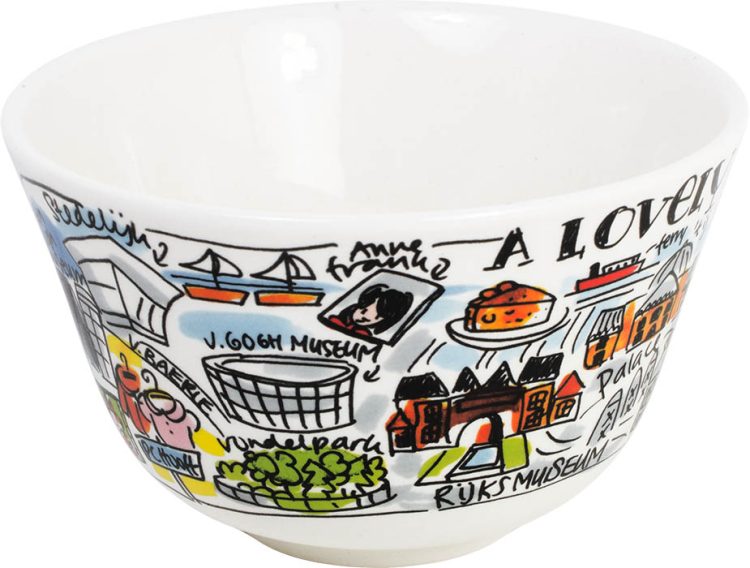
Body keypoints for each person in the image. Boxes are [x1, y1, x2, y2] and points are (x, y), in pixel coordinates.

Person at [328, 284, 413, 338]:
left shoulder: (363, 334)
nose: (366, 316)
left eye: (377, 317)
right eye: (363, 310)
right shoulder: (334, 321)